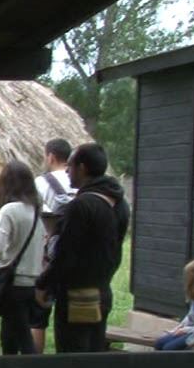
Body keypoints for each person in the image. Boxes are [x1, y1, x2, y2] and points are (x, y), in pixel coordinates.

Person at [35, 142, 130, 356]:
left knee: (73, 361)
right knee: (94, 357)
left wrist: (43, 284)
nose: (67, 171)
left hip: (77, 297)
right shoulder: (120, 204)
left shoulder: (81, 206)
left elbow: (66, 256)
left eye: (70, 165)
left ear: (83, 168)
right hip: (102, 292)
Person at [0, 161, 46, 358]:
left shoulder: (9, 210)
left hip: (13, 283)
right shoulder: (37, 209)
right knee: (8, 336)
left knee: (22, 337)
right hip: (32, 283)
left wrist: (6, 258)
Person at [31, 138, 77, 353]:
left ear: (50, 156)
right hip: (77, 255)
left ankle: (36, 362)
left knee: (39, 317)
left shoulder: (41, 182)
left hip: (49, 254)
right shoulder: (80, 183)